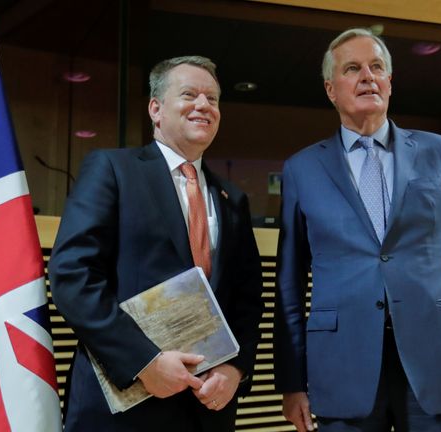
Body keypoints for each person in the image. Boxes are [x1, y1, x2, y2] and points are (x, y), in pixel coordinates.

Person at [274, 28, 441, 432]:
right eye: (352, 69)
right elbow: (289, 288)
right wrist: (291, 382)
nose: (367, 76)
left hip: (436, 365)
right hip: (342, 368)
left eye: (376, 67)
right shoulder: (301, 169)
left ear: (390, 82)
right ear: (331, 89)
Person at [49, 56, 263, 431]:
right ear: (156, 109)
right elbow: (73, 276)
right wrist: (143, 362)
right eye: (190, 94)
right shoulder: (113, 170)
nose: (204, 106)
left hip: (206, 407)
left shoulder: (233, 198)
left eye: (212, 99)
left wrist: (236, 368)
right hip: (125, 401)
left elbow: (247, 298)